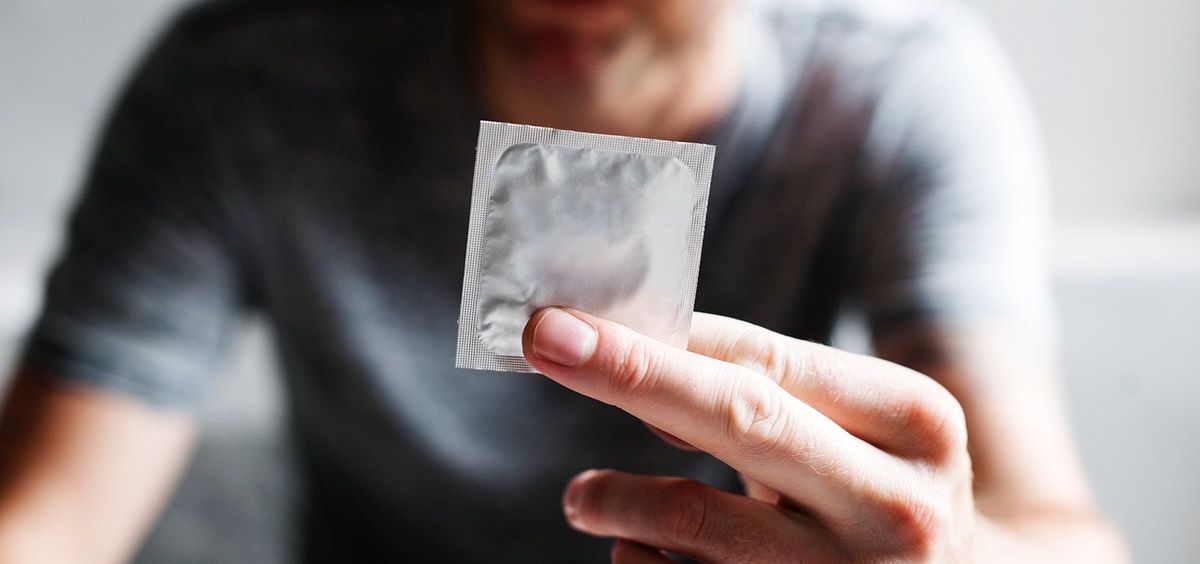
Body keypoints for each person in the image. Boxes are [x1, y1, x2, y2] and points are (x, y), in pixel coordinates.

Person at [0, 0, 1127, 562]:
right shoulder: (247, 82)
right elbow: (51, 515)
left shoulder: (897, 95)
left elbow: (1054, 526)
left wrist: (955, 552)